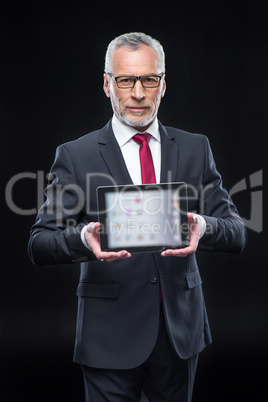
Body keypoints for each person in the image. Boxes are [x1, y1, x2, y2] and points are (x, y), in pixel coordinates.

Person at [28, 32, 247, 401]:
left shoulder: (195, 148)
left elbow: (237, 233)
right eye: (125, 80)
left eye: (149, 79)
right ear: (107, 84)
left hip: (180, 332)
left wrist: (202, 227)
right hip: (108, 334)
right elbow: (39, 243)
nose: (138, 93)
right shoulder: (75, 155)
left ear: (163, 84)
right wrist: (83, 238)